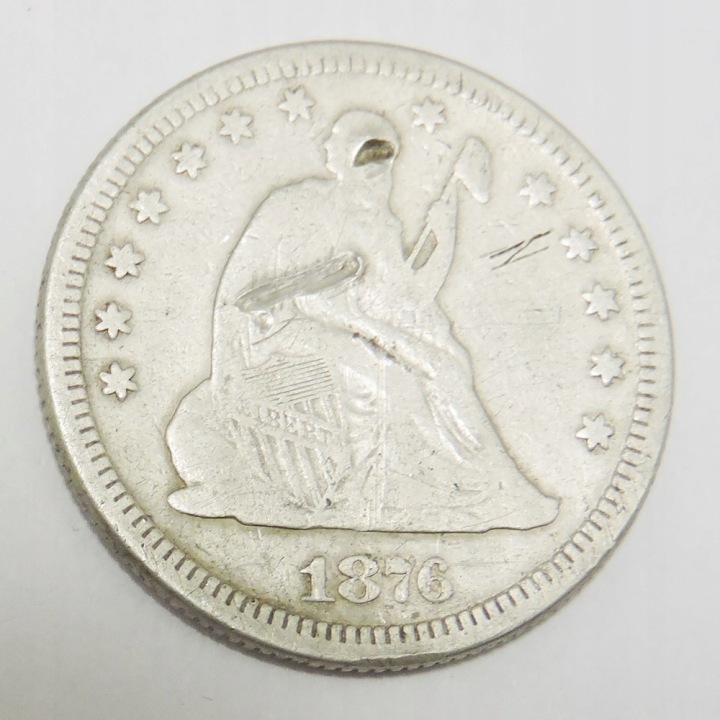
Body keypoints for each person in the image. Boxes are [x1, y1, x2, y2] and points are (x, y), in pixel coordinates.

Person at [166, 110, 559, 532]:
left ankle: (488, 489)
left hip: (349, 324)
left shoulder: (380, 222)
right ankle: (368, 495)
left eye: (383, 168)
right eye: (366, 165)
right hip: (281, 333)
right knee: (381, 375)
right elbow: (251, 295)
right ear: (340, 161)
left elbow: (410, 293)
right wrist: (328, 305)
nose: (377, 178)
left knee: (448, 365)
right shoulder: (297, 205)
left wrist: (443, 225)